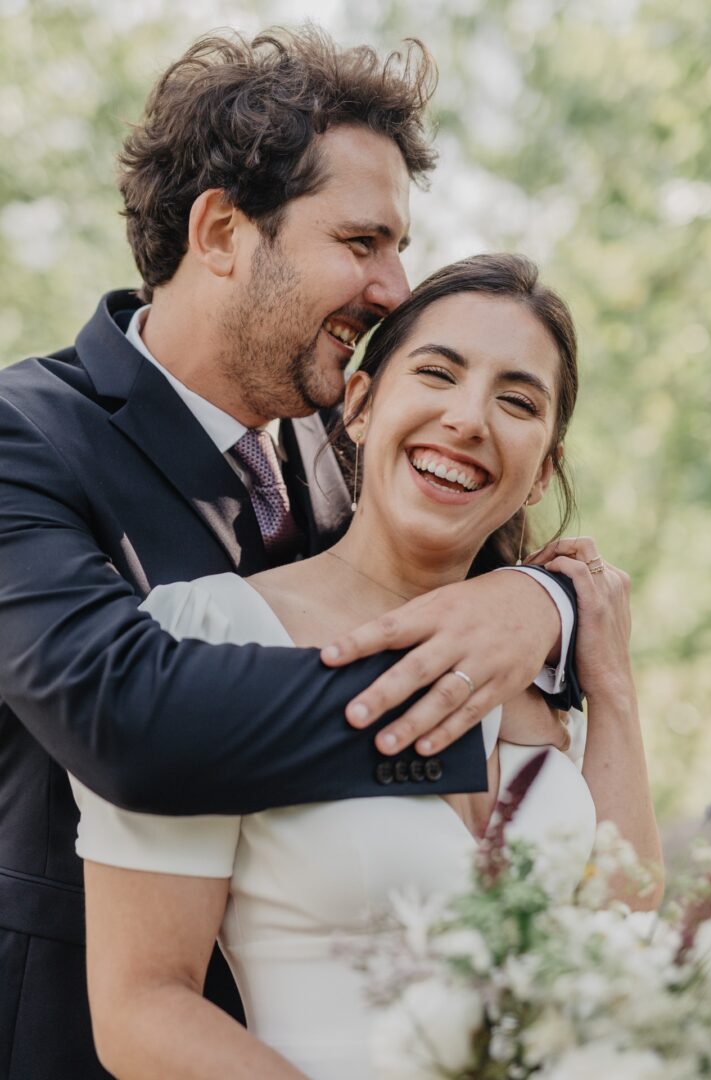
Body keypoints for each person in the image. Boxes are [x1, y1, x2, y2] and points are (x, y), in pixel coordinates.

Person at [0, 29, 580, 1080]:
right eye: (362, 243)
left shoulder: (341, 452)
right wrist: (456, 693)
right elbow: (121, 712)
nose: (392, 286)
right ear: (222, 229)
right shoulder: (23, 437)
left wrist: (541, 605)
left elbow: (504, 558)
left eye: (399, 248)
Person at [70, 254, 663, 1080]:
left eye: (517, 400)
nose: (468, 418)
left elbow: (624, 930)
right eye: (437, 373)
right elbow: (143, 1010)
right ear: (359, 404)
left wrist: (612, 684)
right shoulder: (214, 634)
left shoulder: (536, 666)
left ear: (544, 475)